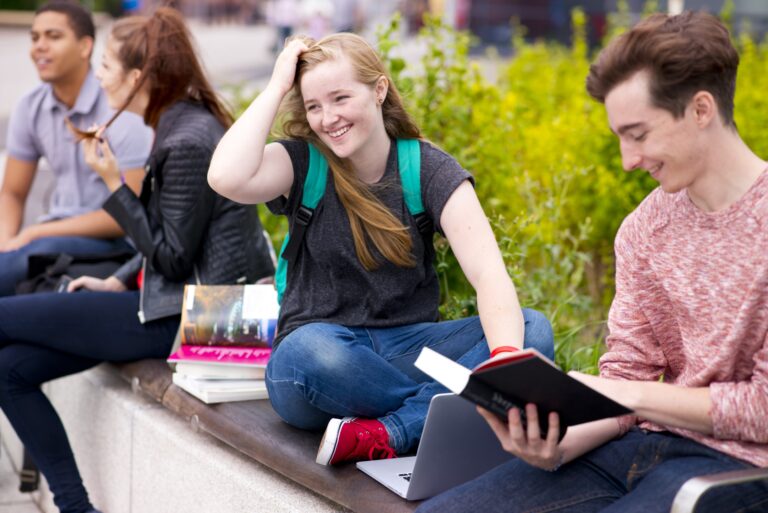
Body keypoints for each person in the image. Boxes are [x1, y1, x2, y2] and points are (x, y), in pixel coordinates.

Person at [417, 11, 768, 513]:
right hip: (638, 448)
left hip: (739, 471)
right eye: (619, 137)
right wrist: (560, 441)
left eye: (639, 134)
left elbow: (762, 408)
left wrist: (622, 394)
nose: (628, 159)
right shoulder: (646, 229)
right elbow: (628, 375)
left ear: (701, 109)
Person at [207, 33, 554, 467]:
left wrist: (503, 359)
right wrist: (278, 85)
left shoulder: (426, 168)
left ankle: (394, 431)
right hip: (320, 366)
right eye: (313, 106)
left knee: (530, 330)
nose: (327, 118)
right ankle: (452, 410)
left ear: (379, 89)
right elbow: (224, 177)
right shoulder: (303, 163)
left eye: (339, 98)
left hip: (410, 349)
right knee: (306, 351)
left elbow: (488, 273)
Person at [0, 8, 274, 513]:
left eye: (106, 65)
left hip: (205, 318)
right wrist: (117, 284)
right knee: (10, 369)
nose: (100, 77)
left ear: (138, 76)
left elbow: (171, 256)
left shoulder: (188, 139)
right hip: (180, 304)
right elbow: (172, 240)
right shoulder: (178, 125)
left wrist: (110, 184)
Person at [0, 1, 153, 297]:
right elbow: (12, 193)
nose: (40, 47)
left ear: (85, 47)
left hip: (116, 243)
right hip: (54, 235)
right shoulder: (30, 106)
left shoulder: (119, 106)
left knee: (29, 257)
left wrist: (33, 233)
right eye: (35, 37)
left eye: (53, 36)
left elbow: (133, 214)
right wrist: (6, 242)